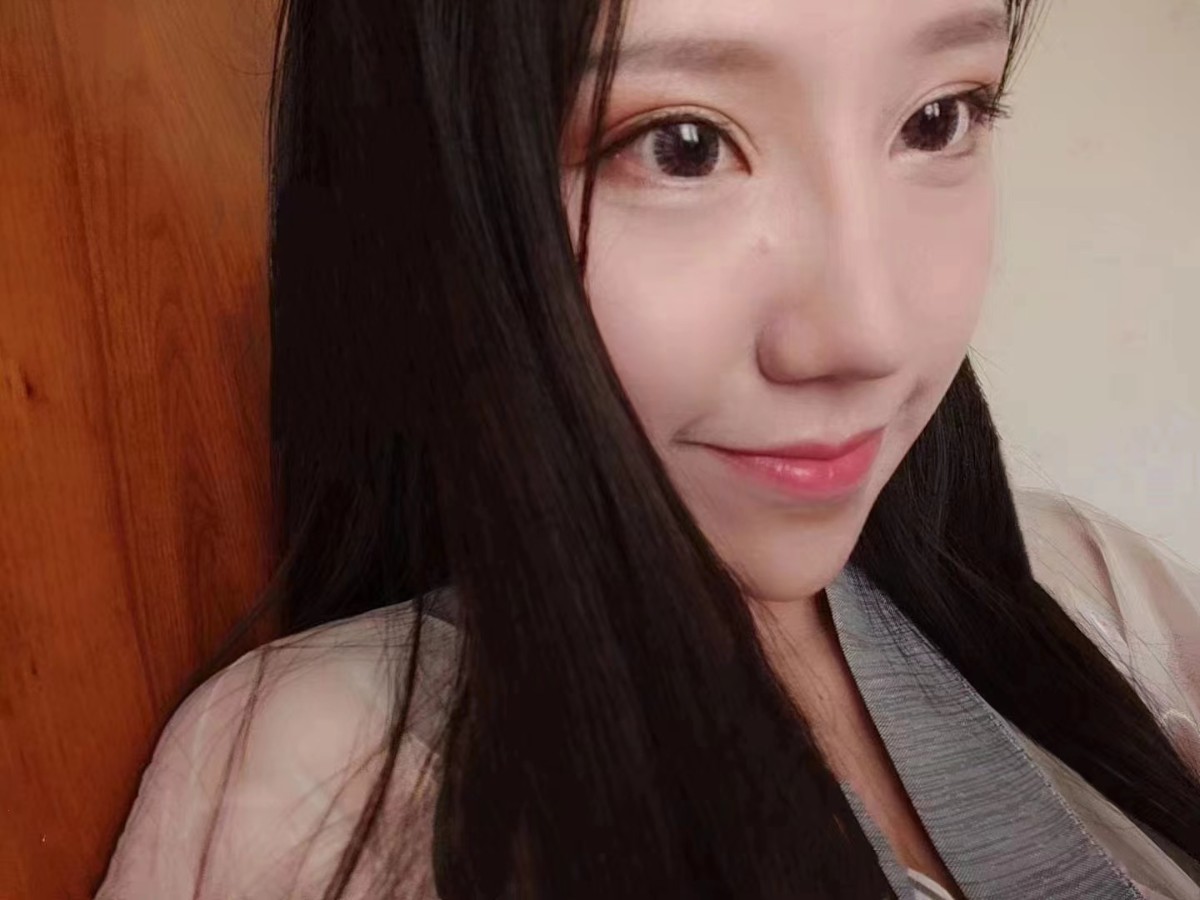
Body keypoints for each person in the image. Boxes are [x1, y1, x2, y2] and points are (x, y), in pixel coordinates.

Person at [96, 0, 1200, 897]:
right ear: (433, 186)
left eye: (938, 118)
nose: (868, 333)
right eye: (684, 147)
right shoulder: (333, 778)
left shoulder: (1100, 594)